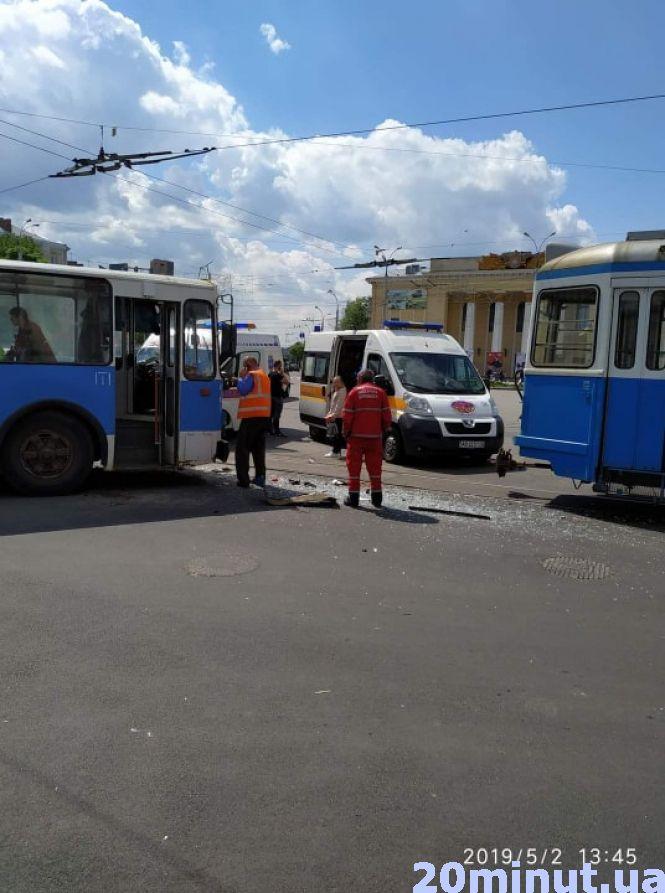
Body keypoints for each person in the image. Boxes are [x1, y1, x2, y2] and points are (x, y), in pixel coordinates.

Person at [342, 369, 392, 508]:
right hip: (374, 438)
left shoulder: (354, 392)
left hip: (356, 438)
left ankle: (353, 499)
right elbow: (387, 416)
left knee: (354, 469)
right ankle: (377, 499)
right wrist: (385, 429)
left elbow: (347, 416)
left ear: (359, 378)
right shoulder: (381, 393)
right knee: (375, 469)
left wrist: (346, 432)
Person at [234, 356, 271, 488]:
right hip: (264, 416)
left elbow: (243, 390)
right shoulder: (263, 375)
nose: (243, 368)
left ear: (248, 365)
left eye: (244, 365)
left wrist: (240, 378)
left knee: (242, 448)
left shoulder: (251, 375)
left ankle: (243, 480)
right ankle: (260, 477)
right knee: (258, 448)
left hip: (251, 416)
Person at [324, 375, 347, 458]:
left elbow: (339, 406)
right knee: (336, 434)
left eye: (336, 382)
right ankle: (336, 451)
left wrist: (333, 415)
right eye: (334, 382)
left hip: (338, 416)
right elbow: (333, 405)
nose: (334, 383)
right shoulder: (338, 390)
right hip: (336, 415)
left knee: (337, 435)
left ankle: (336, 451)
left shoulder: (342, 391)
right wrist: (329, 413)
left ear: (341, 382)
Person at [268, 359, 290, 436]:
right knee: (277, 415)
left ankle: (270, 430)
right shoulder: (278, 375)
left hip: (271, 396)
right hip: (278, 397)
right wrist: (282, 373)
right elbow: (287, 382)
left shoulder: (270, 374)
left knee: (271, 414)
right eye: (281, 366)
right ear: (279, 366)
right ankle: (277, 431)